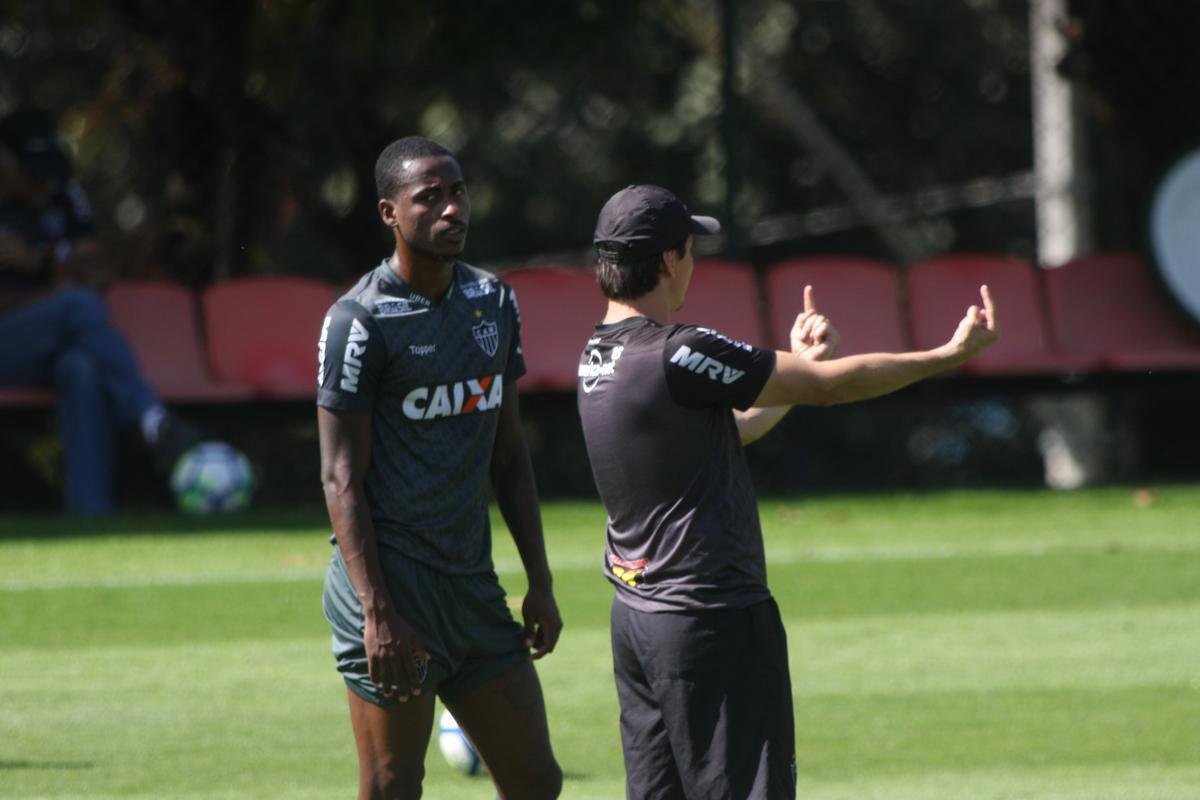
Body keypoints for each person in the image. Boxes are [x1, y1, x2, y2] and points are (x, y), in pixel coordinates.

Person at [576, 184, 1000, 799]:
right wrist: (946, 354)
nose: (693, 262)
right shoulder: (678, 351)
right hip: (710, 614)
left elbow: (721, 436)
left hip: (639, 619)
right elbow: (829, 386)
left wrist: (798, 371)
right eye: (691, 249)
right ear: (669, 259)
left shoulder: (598, 356)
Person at [317, 136, 563, 800]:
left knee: (537, 782)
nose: (452, 209)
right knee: (393, 786)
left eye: (457, 192)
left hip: (471, 588)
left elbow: (509, 457)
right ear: (389, 213)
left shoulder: (493, 303)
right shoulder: (359, 320)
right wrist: (377, 613)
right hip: (391, 593)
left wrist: (538, 581)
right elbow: (340, 477)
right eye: (430, 198)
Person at [0, 104, 199, 514]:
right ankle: (150, 418)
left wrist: (42, 262)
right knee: (76, 305)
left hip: (49, 342)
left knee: (81, 367)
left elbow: (100, 266)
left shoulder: (60, 190)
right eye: (30, 172)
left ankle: (90, 516)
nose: (42, 183)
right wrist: (57, 280)